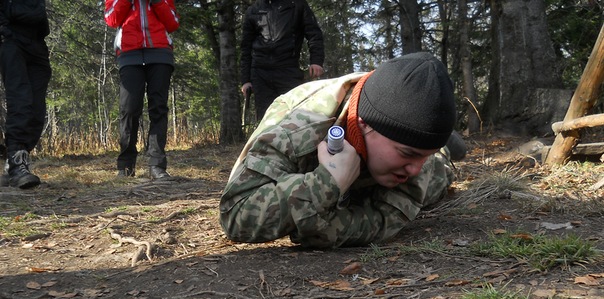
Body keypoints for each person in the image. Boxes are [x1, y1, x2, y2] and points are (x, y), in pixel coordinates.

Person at [220, 52, 467, 249]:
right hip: (317, 117)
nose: (415, 169)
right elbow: (236, 215)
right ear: (364, 123)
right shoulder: (295, 132)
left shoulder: (412, 158)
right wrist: (325, 183)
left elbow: (390, 216)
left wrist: (320, 230)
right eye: (407, 153)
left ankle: (442, 149)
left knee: (438, 174)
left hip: (378, 129)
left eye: (423, 154)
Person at [104, 0, 179, 180]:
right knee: (129, 109)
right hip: (129, 53)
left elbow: (173, 23)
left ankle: (157, 165)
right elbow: (111, 19)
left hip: (160, 53)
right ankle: (126, 166)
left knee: (158, 108)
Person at [240, 0, 325, 121]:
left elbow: (314, 34)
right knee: (266, 121)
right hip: (260, 74)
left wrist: (316, 61)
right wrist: (245, 80)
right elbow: (246, 47)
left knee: (295, 117)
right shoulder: (253, 10)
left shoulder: (297, 5)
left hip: (288, 70)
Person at [0, 0, 51, 189]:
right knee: (20, 100)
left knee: (37, 111)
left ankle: (14, 161)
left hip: (37, 43)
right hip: (11, 40)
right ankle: (17, 165)